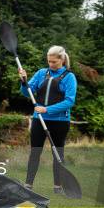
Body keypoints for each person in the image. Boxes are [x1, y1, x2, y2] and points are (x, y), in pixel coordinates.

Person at [18, 46, 77, 193]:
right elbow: (27, 92)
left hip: (60, 121)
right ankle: (28, 185)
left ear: (62, 60)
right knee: (35, 151)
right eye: (49, 61)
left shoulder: (69, 77)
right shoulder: (41, 73)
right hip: (39, 119)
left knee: (58, 153)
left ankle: (58, 186)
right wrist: (23, 81)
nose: (51, 65)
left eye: (54, 62)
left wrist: (47, 109)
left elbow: (70, 101)